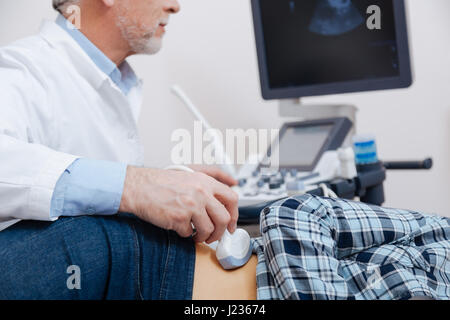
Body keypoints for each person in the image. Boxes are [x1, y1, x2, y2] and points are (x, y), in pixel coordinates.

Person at [1, 0, 449, 300]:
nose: (176, 4)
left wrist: (166, 179)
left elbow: (84, 189)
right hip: (208, 280)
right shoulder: (25, 70)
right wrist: (135, 185)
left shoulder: (114, 86)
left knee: (425, 244)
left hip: (218, 268)